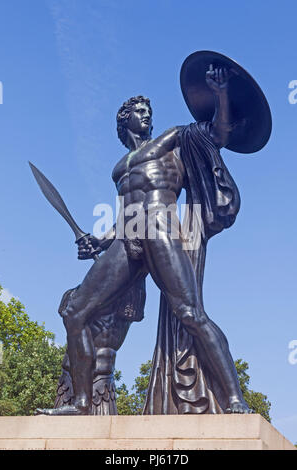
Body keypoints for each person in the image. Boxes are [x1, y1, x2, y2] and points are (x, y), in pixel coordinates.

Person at [37, 65, 251, 416]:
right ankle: (81, 402)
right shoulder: (119, 167)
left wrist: (221, 93)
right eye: (138, 111)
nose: (146, 114)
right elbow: (124, 217)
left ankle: (234, 398)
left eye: (148, 111)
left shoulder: (172, 140)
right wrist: (101, 240)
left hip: (160, 228)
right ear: (125, 122)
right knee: (75, 312)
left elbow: (218, 134)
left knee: (190, 313)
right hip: (129, 237)